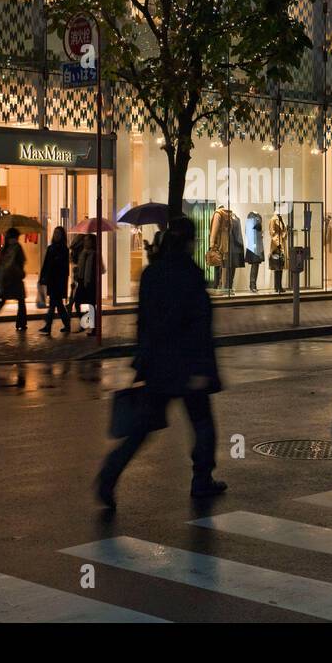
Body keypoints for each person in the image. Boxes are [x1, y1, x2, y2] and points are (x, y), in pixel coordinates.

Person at [97, 214, 225, 508]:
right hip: (188, 367)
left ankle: (110, 473)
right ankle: (202, 479)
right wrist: (203, 369)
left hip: (158, 366)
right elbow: (200, 326)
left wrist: (141, 362)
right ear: (190, 242)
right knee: (203, 424)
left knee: (141, 429)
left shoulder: (151, 274)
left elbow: (143, 324)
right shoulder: (190, 275)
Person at [0, 227, 27, 333]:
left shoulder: (5, 248)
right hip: (15, 278)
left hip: (6, 279)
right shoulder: (17, 247)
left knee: (3, 300)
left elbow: (1, 263)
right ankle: (21, 323)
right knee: (21, 301)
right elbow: (22, 261)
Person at [38, 226, 72, 334]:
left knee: (54, 304)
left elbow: (65, 269)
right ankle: (66, 325)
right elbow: (46, 264)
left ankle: (49, 326)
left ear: (62, 236)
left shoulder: (64, 250)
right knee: (58, 305)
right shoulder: (50, 248)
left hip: (59, 281)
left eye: (58, 233)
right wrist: (42, 277)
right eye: (55, 233)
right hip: (51, 280)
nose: (56, 235)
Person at [72, 233, 104, 332]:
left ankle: (93, 329)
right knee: (77, 303)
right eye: (84, 240)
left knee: (91, 305)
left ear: (92, 242)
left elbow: (101, 269)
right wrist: (77, 271)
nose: (85, 242)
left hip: (90, 283)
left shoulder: (95, 254)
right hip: (81, 282)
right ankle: (84, 322)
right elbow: (78, 265)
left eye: (87, 240)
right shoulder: (82, 253)